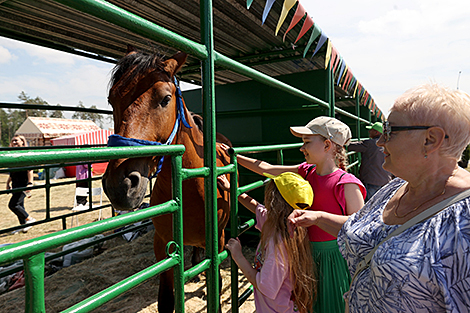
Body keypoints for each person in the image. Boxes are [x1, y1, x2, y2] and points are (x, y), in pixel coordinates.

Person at [288, 83, 470, 312]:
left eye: (389, 130)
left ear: (430, 139)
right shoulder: (394, 188)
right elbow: (366, 229)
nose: (381, 141)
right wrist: (318, 217)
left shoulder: (464, 219)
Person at [221, 116, 366, 313]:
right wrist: (232, 156)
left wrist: (318, 217)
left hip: (333, 259)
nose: (301, 148)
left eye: (307, 142)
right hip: (303, 255)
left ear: (327, 145)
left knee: (331, 304)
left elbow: (360, 225)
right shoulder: (306, 172)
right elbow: (266, 169)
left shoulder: (346, 183)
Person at [222, 172, 316, 313]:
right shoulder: (282, 224)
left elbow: (264, 287)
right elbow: (255, 206)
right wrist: (233, 190)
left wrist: (238, 255)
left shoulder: (278, 245)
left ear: (274, 199)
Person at [348, 122, 392, 201]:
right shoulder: (388, 143)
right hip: (386, 181)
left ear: (376, 132)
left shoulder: (369, 143)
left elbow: (351, 146)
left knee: (370, 205)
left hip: (372, 182)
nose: (369, 131)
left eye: (371, 130)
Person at [6, 135, 36, 233]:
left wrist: (30, 183)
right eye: (12, 141)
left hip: (23, 183)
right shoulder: (12, 155)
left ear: (22, 142)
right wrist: (7, 183)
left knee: (13, 205)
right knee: (20, 204)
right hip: (15, 183)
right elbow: (12, 172)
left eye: (16, 140)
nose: (14, 142)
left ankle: (29, 219)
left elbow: (30, 170)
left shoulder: (24, 154)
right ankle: (23, 225)